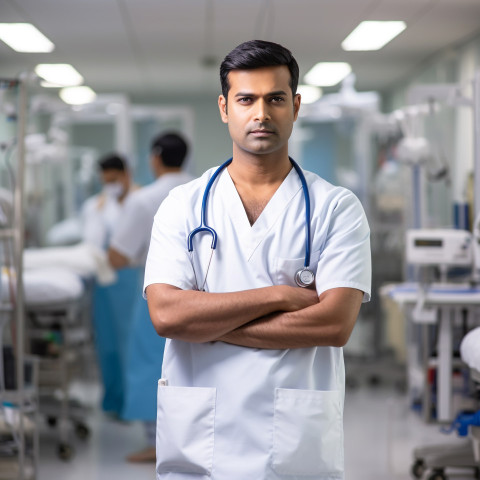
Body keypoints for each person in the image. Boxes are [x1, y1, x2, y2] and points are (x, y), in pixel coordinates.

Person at [144, 40, 372, 479]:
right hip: (200, 441)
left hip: (292, 445)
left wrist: (209, 325)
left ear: (296, 105)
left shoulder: (336, 208)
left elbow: (332, 325)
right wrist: (281, 296)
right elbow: (168, 316)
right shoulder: (182, 205)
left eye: (276, 99)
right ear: (225, 107)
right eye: (246, 99)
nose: (261, 113)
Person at [108, 132, 193, 463]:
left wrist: (135, 256)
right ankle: (191, 439)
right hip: (203, 293)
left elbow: (117, 256)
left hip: (156, 292)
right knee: (194, 362)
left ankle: (158, 444)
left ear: (155, 157)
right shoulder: (206, 190)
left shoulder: (144, 199)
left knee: (149, 366)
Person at [81, 153, 133, 250]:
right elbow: (91, 244)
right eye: (106, 182)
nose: (110, 186)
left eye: (113, 180)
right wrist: (98, 212)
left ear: (126, 175)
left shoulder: (140, 200)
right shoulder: (94, 205)